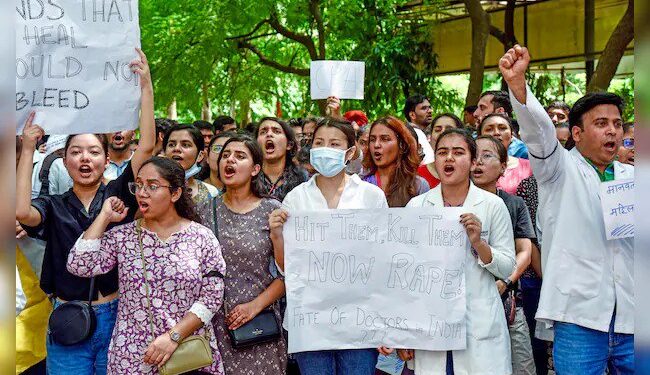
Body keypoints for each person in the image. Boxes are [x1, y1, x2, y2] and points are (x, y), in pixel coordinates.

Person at [15, 48, 155, 375]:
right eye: (76, 152)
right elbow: (22, 211)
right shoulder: (54, 205)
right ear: (66, 161)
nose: (85, 159)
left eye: (94, 152)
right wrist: (27, 147)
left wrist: (145, 87)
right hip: (66, 318)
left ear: (106, 161)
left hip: (116, 316)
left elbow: (146, 145)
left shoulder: (118, 192)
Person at [500, 44, 633, 374]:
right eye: (601, 123)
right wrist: (519, 87)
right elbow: (540, 133)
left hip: (634, 316)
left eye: (617, 124)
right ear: (577, 133)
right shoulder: (558, 169)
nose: (612, 130)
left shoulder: (635, 177)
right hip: (579, 318)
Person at [66, 156, 226, 375]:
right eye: (138, 185)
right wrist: (103, 217)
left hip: (188, 354)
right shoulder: (123, 236)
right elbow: (79, 265)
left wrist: (173, 337)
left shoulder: (201, 237)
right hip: (132, 357)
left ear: (175, 193)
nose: (142, 192)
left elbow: (212, 297)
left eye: (152, 186)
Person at [269, 117, 388, 375]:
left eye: (334, 144)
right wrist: (277, 234)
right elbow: (287, 267)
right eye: (320, 143)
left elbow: (383, 260)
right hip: (312, 321)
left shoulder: (371, 196)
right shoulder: (296, 198)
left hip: (359, 320)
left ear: (351, 151)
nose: (326, 149)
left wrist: (385, 319)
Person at [396, 128, 515, 375]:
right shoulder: (417, 206)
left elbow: (506, 267)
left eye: (458, 152)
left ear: (473, 162)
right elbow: (404, 275)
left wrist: (479, 244)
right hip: (430, 324)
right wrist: (403, 331)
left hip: (477, 325)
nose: (449, 158)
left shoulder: (493, 205)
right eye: (442, 152)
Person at [200, 135, 288, 374]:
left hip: (261, 323)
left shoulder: (273, 210)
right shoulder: (205, 211)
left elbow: (288, 274)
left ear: (255, 169)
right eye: (226, 155)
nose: (230, 160)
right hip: (216, 324)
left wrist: (254, 307)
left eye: (240, 156)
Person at [472, 135, 536, 375]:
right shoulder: (457, 203)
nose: (478, 163)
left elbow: (525, 251)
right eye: (474, 156)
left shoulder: (514, 204)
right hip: (469, 305)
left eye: (487, 156)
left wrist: (506, 281)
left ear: (502, 166)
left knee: (522, 367)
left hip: (508, 301)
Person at [363, 116, 429, 206]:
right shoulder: (362, 184)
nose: (376, 145)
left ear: (401, 145)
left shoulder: (418, 185)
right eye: (372, 140)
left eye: (385, 139)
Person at [162, 123, 219, 224]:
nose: (177, 149)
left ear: (200, 155)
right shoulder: (153, 190)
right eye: (171, 144)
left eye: (185, 145)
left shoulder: (212, 192)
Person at [256, 117, 308, 201]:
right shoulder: (248, 177)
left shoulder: (302, 177)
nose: (269, 134)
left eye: (276, 131)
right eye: (263, 132)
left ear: (289, 145)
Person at [478, 114, 532, 194]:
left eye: (502, 128)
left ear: (511, 135)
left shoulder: (528, 167)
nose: (496, 133)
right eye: (489, 129)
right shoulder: (471, 167)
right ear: (480, 136)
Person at [474, 91, 529, 159]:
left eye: (482, 108)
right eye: (489, 129)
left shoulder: (522, 154)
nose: (475, 114)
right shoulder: (470, 143)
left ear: (500, 112)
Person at [418, 114, 464, 188]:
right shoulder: (417, 175)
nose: (442, 133)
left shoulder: (470, 174)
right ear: (430, 137)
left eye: (449, 129)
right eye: (437, 130)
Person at [403, 95, 435, 164]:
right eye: (424, 108)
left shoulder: (423, 134)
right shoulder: (411, 134)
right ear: (412, 115)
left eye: (429, 107)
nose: (430, 111)